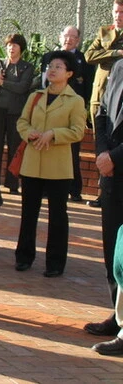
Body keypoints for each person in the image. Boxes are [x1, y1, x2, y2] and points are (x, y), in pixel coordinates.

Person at [14, 51, 87, 277]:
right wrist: (30, 133)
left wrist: (54, 134)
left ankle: (55, 263)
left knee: (57, 215)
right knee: (28, 213)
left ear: (69, 74)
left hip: (58, 166)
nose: (52, 70)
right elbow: (22, 122)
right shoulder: (35, 96)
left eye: (58, 67)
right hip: (32, 162)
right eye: (50, 66)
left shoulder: (75, 101)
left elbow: (78, 131)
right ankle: (24, 257)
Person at [84, 58, 123, 341]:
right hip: (111, 177)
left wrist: (114, 157)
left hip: (116, 162)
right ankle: (118, 316)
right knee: (114, 252)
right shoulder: (119, 67)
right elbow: (102, 112)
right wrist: (102, 154)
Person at [40, 26, 94, 202]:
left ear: (78, 40)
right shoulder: (48, 57)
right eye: (66, 36)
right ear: (60, 36)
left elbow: (87, 88)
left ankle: (74, 189)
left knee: (72, 150)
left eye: (72, 37)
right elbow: (42, 83)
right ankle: (46, 187)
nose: (68, 39)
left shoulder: (83, 60)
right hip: (48, 109)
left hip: (72, 110)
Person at [84, 0, 123, 208]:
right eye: (115, 12)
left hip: (119, 102)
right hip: (100, 97)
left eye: (122, 13)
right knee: (100, 143)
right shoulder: (104, 32)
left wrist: (105, 56)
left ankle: (107, 190)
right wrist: (116, 53)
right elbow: (90, 55)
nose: (118, 16)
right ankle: (102, 191)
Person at [0, 33, 34, 195]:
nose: (11, 48)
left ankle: (12, 183)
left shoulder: (27, 67)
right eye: (9, 45)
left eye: (14, 45)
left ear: (21, 48)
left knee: (14, 147)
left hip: (16, 112)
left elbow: (22, 87)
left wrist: (2, 82)